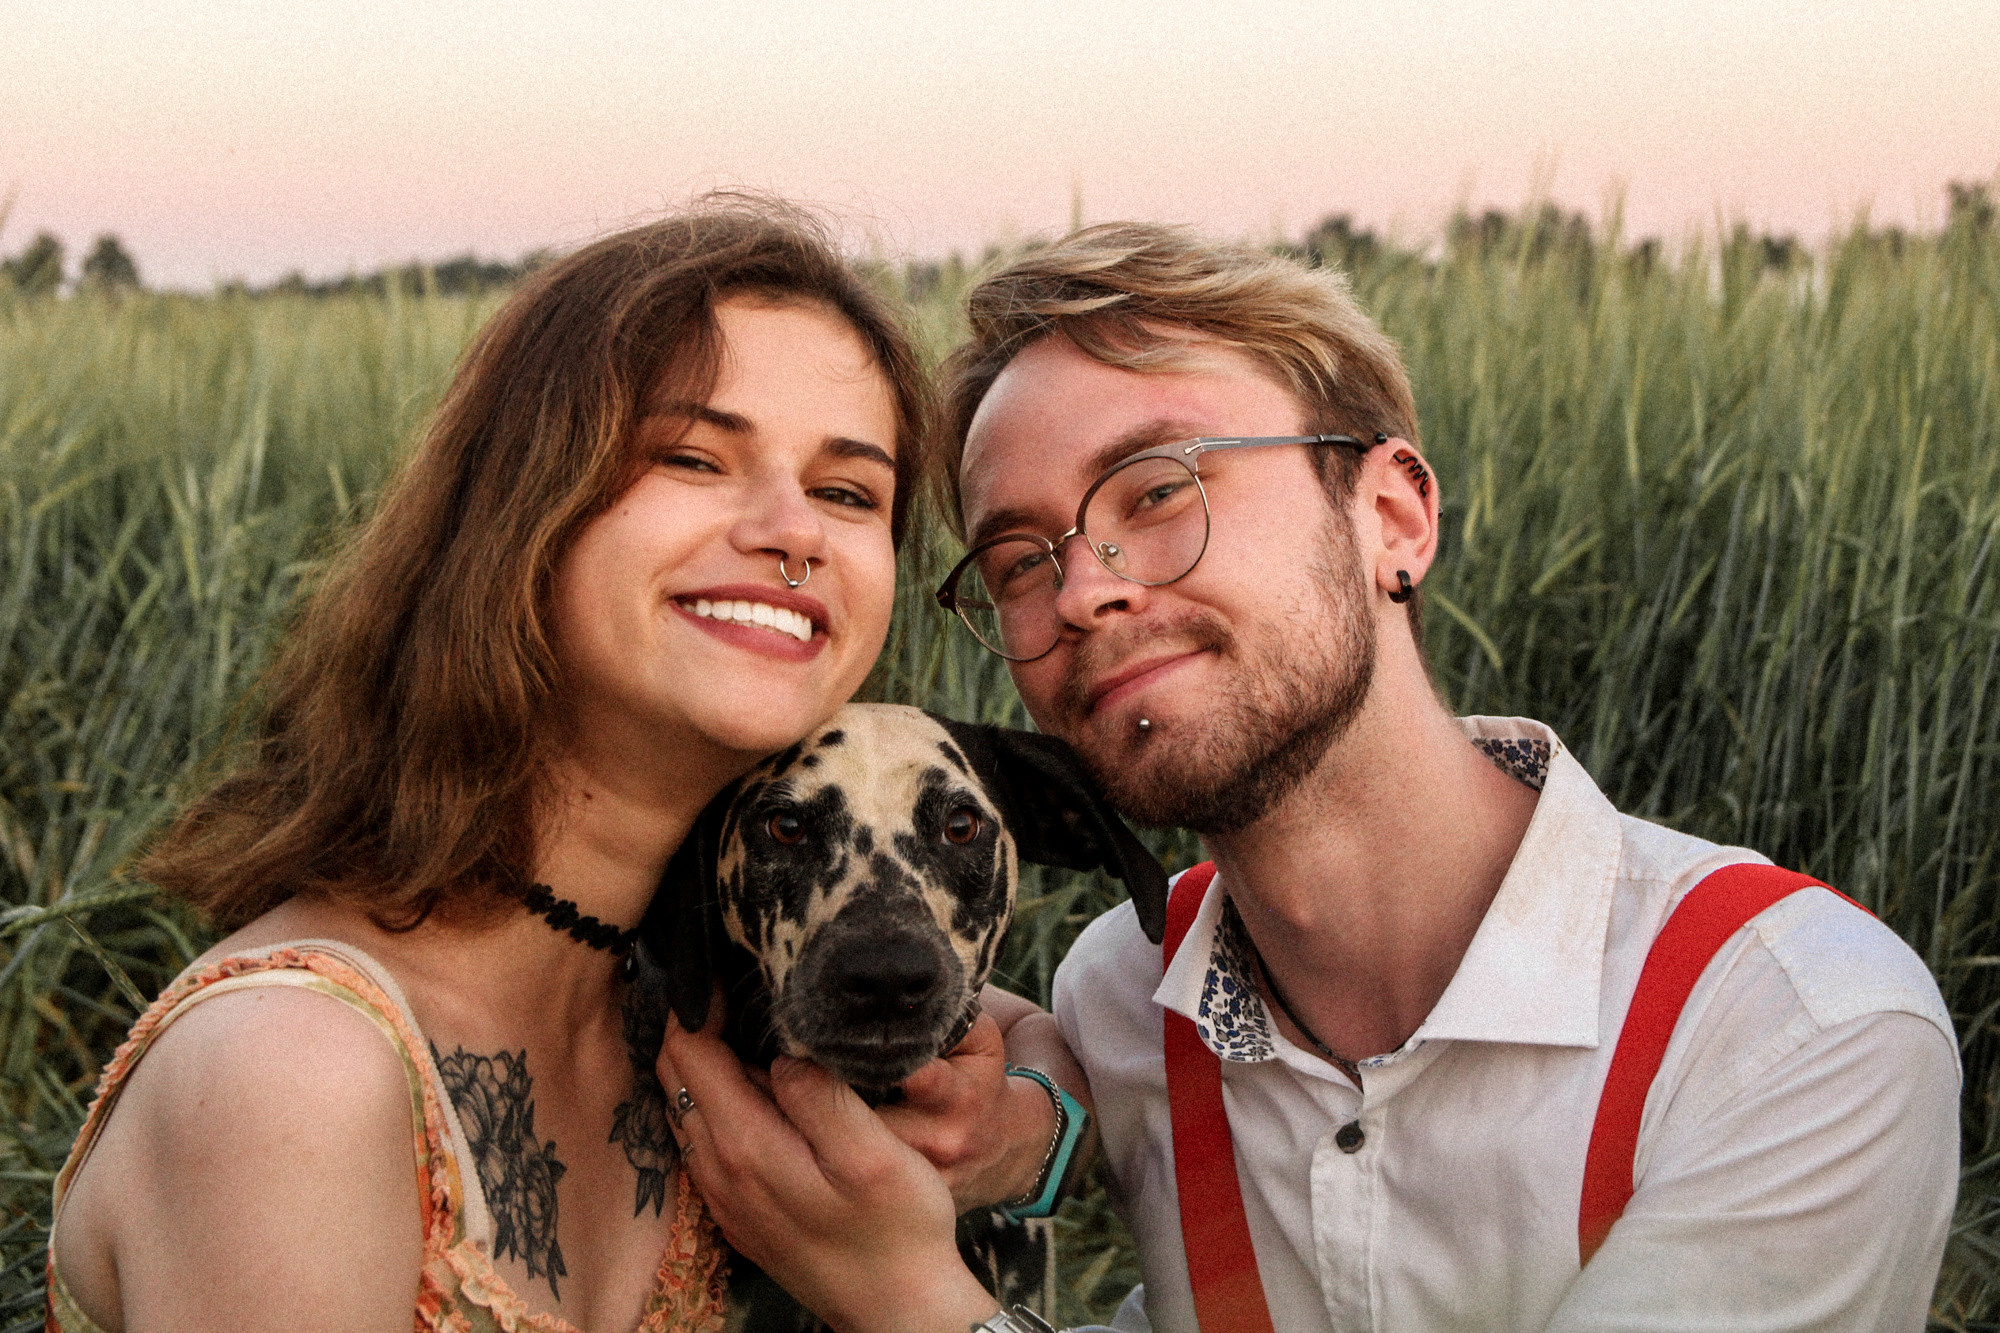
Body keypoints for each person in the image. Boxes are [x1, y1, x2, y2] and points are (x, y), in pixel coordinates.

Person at [659, 222, 1961, 1332]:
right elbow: (1047, 1064)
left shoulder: (1792, 1033)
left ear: (1392, 515)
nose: (1086, 587)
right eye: (1016, 559)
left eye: (1159, 490)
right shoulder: (1123, 999)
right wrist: (1038, 1128)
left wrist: (909, 1299)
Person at [42, 197, 1033, 1333]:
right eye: (693, 457)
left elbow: (1066, 1036)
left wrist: (1029, 1133)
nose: (792, 527)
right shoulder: (296, 1076)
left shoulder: (711, 971)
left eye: (847, 490)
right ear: (524, 503)